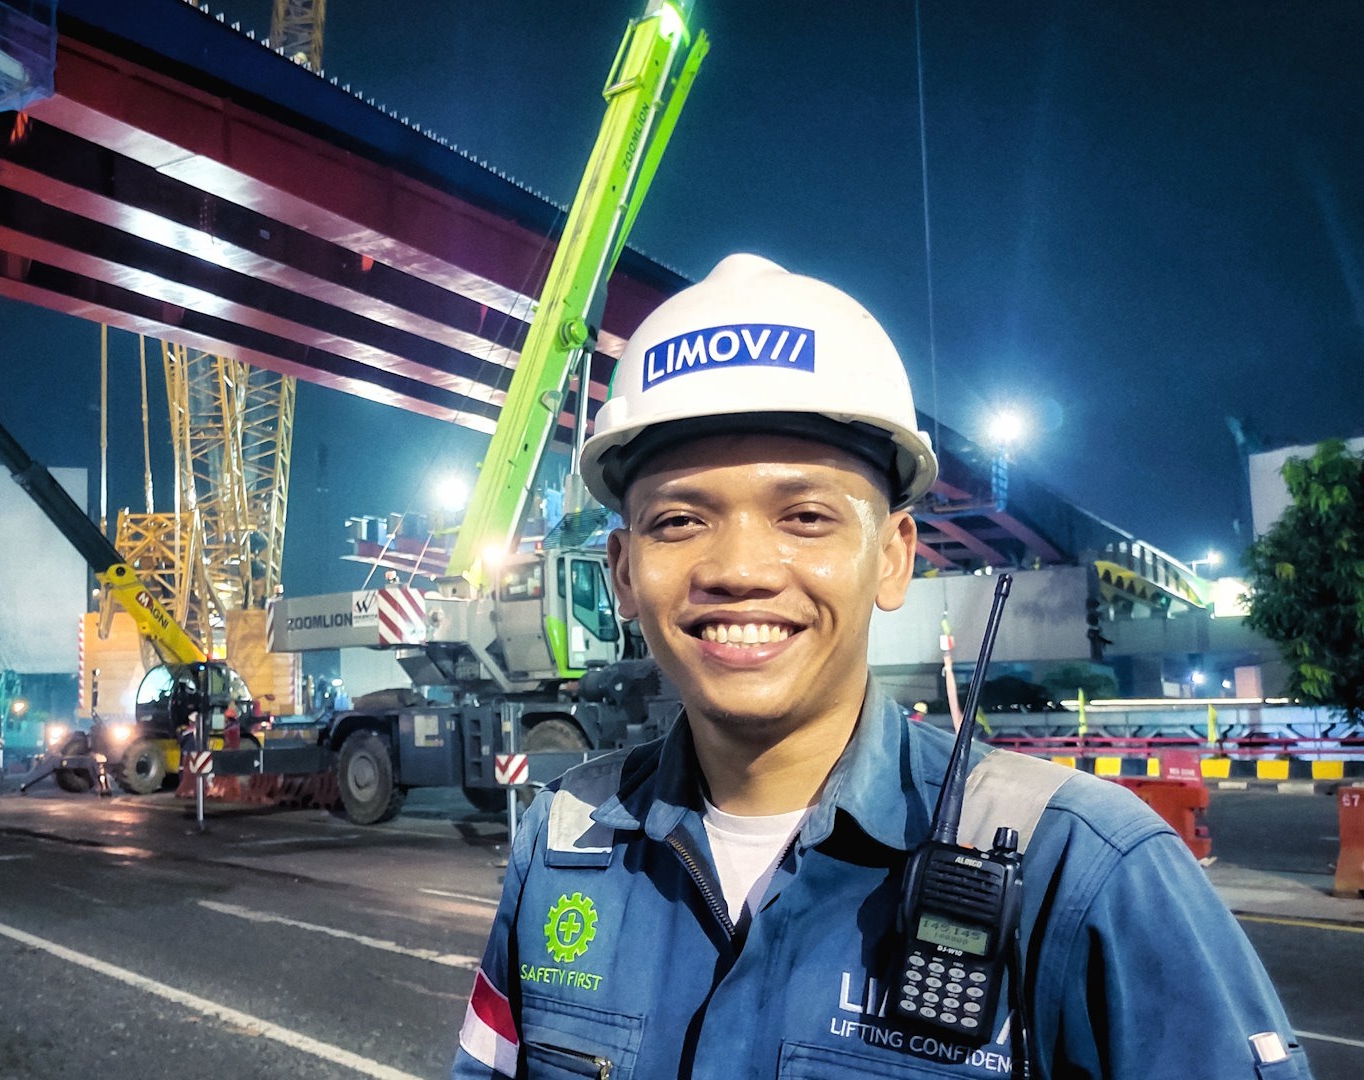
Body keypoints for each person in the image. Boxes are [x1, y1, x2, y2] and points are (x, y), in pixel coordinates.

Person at [453, 254, 1309, 1078]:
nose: (740, 569)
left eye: (806, 516)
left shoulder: (1085, 874)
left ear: (895, 558)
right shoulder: (565, 837)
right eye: (679, 521)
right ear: (624, 574)